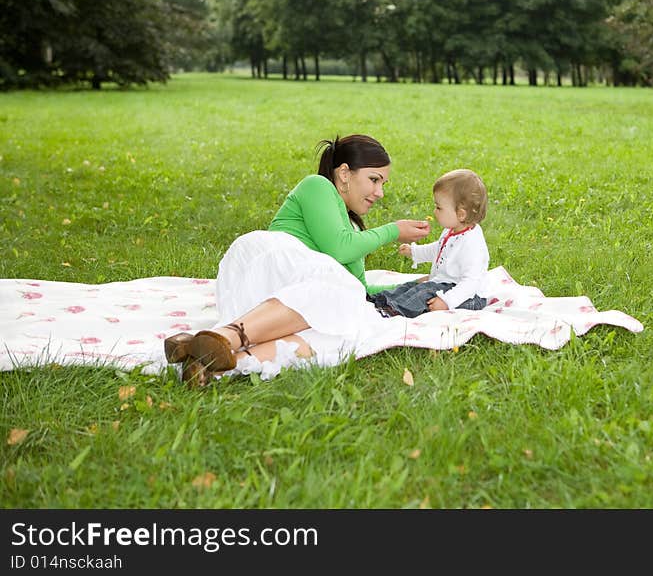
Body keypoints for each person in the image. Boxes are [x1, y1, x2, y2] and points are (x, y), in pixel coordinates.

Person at [163, 134, 431, 387]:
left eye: (383, 184)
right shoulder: (318, 186)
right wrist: (393, 230)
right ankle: (225, 337)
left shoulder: (353, 229)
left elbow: (358, 290)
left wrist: (414, 286)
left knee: (343, 331)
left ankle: (212, 363)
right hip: (267, 264)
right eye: (374, 180)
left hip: (289, 304)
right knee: (338, 295)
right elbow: (339, 248)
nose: (380, 192)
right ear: (345, 173)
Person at [368, 168, 489, 318]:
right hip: (442, 284)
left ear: (461, 214)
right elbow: (438, 249)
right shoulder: (452, 230)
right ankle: (379, 299)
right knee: (412, 286)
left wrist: (447, 301)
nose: (434, 211)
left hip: (466, 296)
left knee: (423, 293)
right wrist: (415, 252)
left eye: (439, 207)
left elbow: (471, 282)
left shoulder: (472, 243)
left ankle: (393, 310)